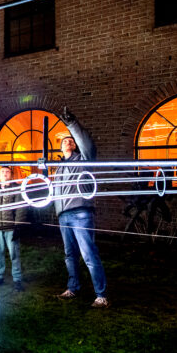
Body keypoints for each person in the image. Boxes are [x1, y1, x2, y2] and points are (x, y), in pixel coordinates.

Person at [54, 107, 109, 307]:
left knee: (88, 254)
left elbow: (87, 144)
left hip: (81, 213)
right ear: (60, 147)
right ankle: (73, 287)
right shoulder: (59, 167)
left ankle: (101, 295)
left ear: (76, 144)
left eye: (71, 140)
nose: (68, 141)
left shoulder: (83, 160)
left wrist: (72, 124)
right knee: (70, 255)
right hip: (64, 216)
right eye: (64, 140)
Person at [0, 164, 25, 290]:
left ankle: (17, 279)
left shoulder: (16, 189)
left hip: (11, 227)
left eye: (7, 171)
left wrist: (18, 226)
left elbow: (20, 208)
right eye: (2, 171)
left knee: (14, 254)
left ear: (11, 175)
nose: (5, 173)